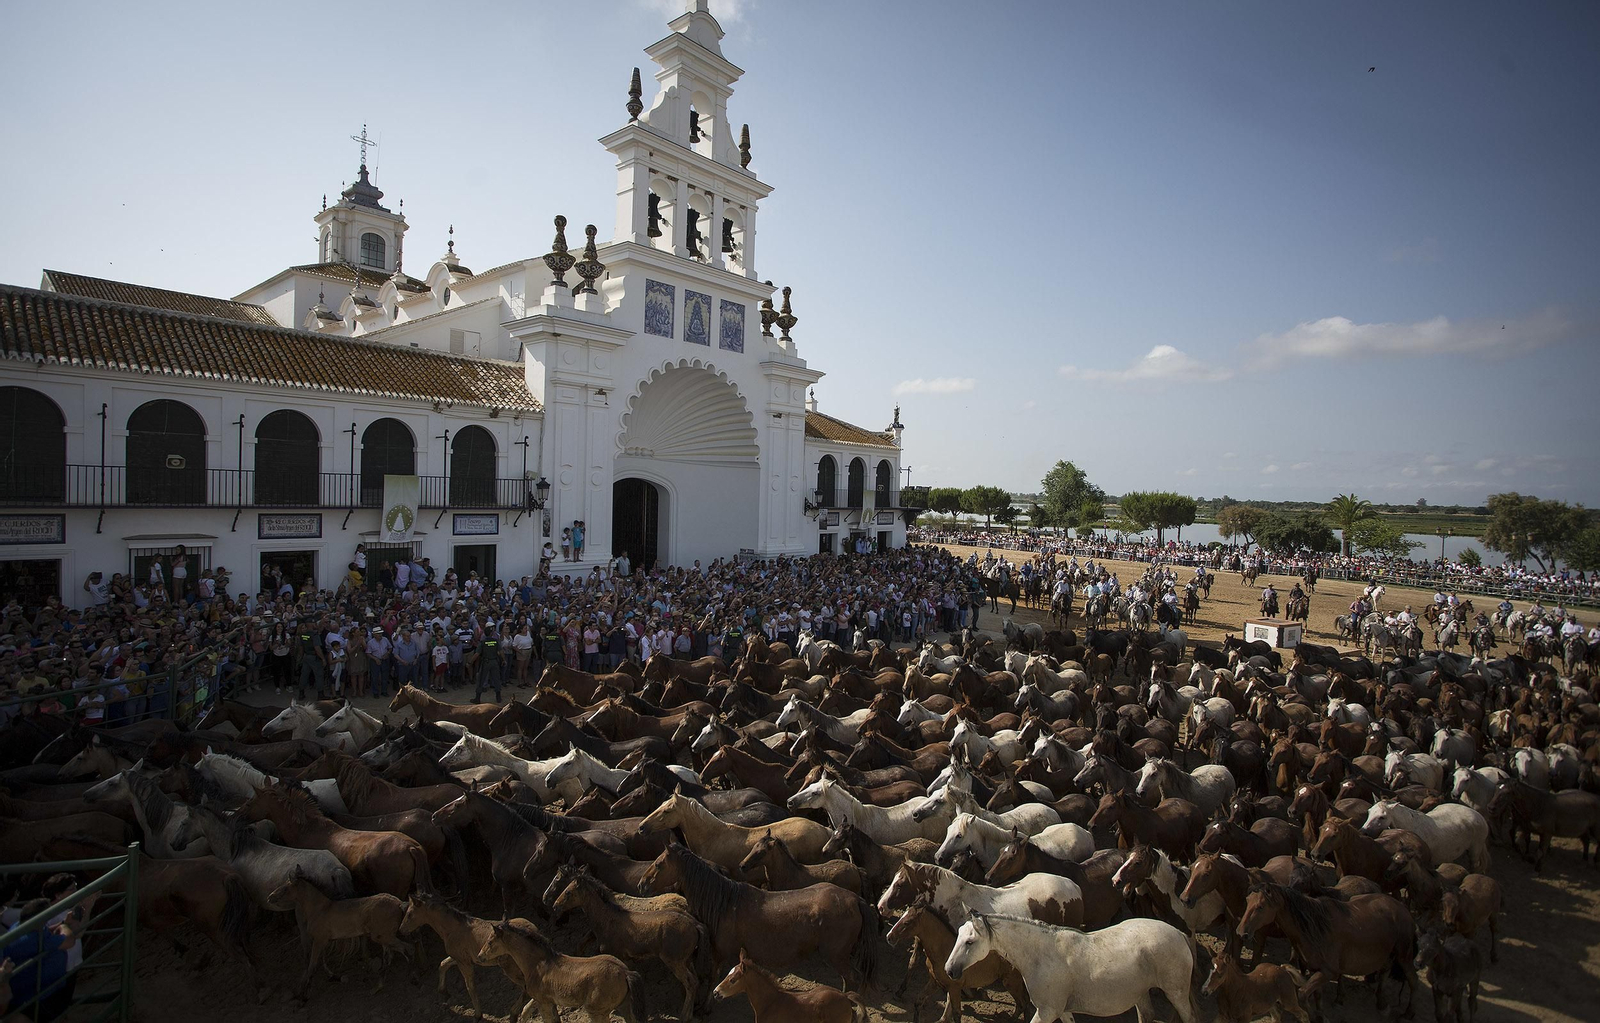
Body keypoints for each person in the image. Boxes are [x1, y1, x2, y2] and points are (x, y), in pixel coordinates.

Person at [475, 622, 504, 702]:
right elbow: (501, 652)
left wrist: (470, 662)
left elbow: (477, 654)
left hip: (485, 662)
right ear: (491, 633)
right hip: (494, 661)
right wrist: (503, 660)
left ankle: (478, 698)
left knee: (481, 679)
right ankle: (498, 697)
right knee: (496, 679)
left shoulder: (483, 642)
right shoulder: (495, 641)